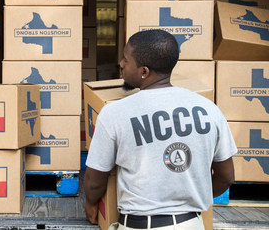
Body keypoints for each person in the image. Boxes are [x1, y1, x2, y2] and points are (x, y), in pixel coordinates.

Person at [84, 29, 237, 230]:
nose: (121, 64)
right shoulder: (210, 109)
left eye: (126, 60)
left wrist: (90, 203)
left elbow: (95, 181)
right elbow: (226, 177)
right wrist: (191, 198)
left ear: (144, 72)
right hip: (191, 224)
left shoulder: (114, 113)